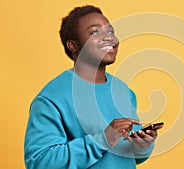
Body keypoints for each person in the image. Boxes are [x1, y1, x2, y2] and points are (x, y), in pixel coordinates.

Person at [24, 5, 162, 169]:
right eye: (95, 32)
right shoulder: (51, 99)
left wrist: (142, 146)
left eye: (110, 31)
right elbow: (40, 162)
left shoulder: (124, 91)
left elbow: (129, 156)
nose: (108, 38)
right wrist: (103, 140)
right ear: (72, 46)